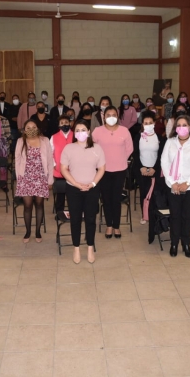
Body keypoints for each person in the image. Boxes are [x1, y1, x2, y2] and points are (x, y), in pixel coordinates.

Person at [60, 119, 106, 264]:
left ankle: (90, 247)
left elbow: (102, 169)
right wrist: (76, 184)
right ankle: (76, 248)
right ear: (75, 133)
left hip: (92, 188)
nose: (80, 133)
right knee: (75, 219)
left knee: (91, 219)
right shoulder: (69, 148)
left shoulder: (97, 148)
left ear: (89, 132)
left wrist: (92, 183)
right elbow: (63, 169)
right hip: (73, 188)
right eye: (78, 130)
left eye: (83, 130)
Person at [160, 115, 190, 258]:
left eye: (184, 125)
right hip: (172, 184)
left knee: (187, 215)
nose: (181, 128)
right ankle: (174, 243)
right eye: (178, 125)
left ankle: (186, 243)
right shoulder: (170, 142)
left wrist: (187, 183)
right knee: (175, 215)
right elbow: (164, 162)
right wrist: (173, 182)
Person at [92, 106, 133, 239]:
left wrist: (120, 159)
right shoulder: (97, 131)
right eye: (108, 115)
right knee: (106, 198)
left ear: (117, 116)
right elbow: (92, 149)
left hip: (120, 170)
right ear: (104, 116)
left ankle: (116, 226)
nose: (111, 117)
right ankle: (109, 225)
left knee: (116, 199)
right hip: (103, 171)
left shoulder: (124, 131)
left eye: (114, 114)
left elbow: (129, 149)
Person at [15, 120, 54, 243]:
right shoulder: (20, 141)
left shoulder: (45, 141)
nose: (31, 129)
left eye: (33, 126)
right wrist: (19, 179)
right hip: (25, 178)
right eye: (28, 127)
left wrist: (50, 180)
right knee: (27, 206)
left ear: (37, 128)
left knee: (39, 205)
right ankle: (27, 232)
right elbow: (17, 160)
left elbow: (49, 161)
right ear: (24, 129)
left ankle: (37, 231)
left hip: (41, 177)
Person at [132, 111, 165, 225]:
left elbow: (161, 155)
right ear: (142, 124)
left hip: (154, 169)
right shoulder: (138, 137)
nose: (148, 125)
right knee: (144, 192)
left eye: (150, 123)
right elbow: (135, 153)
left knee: (155, 193)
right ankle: (144, 215)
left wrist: (154, 168)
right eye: (145, 123)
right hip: (141, 169)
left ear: (154, 123)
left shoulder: (159, 138)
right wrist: (141, 167)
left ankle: (154, 214)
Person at [50, 115, 74, 213]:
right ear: (59, 125)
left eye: (66, 122)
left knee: (72, 193)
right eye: (62, 123)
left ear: (70, 123)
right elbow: (50, 153)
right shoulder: (54, 137)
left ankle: (74, 211)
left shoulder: (75, 135)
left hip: (74, 171)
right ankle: (59, 212)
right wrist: (54, 164)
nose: (64, 124)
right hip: (59, 170)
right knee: (60, 193)